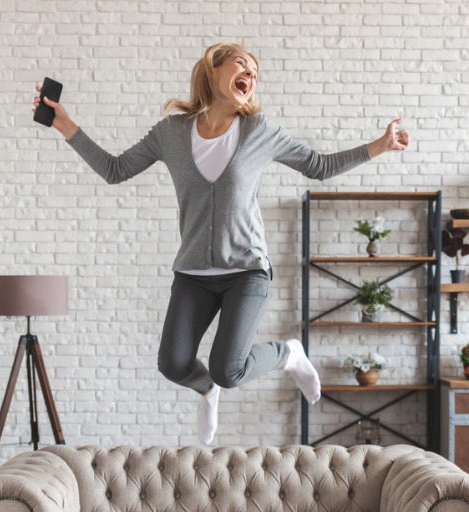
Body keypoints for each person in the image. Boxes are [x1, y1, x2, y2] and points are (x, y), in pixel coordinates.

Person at [32, 42, 410, 444]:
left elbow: (319, 167)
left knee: (228, 369)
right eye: (242, 64)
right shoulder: (171, 133)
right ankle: (205, 390)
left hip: (246, 271)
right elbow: (114, 169)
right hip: (193, 273)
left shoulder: (259, 132)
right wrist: (65, 125)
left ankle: (289, 354)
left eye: (255, 72)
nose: (251, 74)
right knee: (174, 364)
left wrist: (380, 145)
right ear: (213, 71)